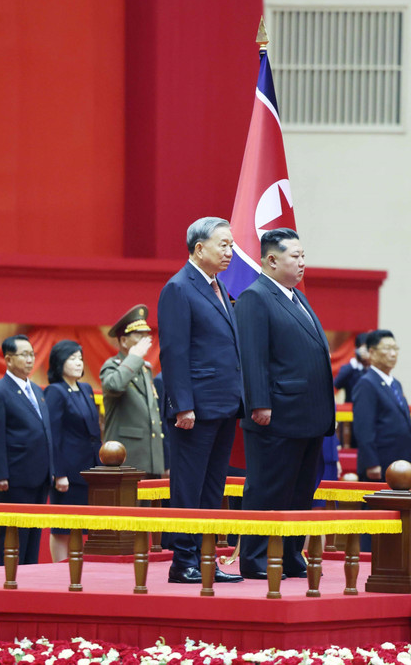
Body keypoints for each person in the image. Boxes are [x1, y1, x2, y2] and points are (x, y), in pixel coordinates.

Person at [234, 228, 336, 580]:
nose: (302, 262)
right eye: (295, 256)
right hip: (275, 414)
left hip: (308, 416)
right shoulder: (255, 297)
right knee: (268, 488)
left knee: (300, 490)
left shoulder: (296, 297)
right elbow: (252, 356)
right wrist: (259, 403)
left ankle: (291, 553)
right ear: (272, 260)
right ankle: (256, 557)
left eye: (304, 255)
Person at [157, 216, 244, 584]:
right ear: (199, 248)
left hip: (224, 405)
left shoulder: (218, 288)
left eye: (231, 245)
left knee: (212, 487)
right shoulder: (179, 287)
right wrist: (183, 405)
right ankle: (183, 561)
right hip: (195, 408)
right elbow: (174, 352)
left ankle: (206, 558)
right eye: (223, 245)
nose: (230, 252)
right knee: (188, 487)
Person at [0, 334, 62, 565]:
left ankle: (28, 579)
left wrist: (52, 469)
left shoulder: (37, 390)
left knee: (33, 535)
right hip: (15, 477)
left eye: (32, 355)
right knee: (12, 535)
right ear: (8, 360)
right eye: (24, 355)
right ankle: (6, 579)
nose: (30, 360)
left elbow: (46, 432)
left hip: (40, 476)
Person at [45, 339, 102, 562]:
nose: (78, 363)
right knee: (63, 527)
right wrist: (58, 473)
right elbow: (53, 435)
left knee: (84, 524)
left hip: (90, 468)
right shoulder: (55, 392)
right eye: (72, 358)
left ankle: (80, 566)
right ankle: (59, 567)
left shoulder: (86, 389)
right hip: (67, 470)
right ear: (60, 363)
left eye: (80, 358)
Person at [100, 305, 165, 477]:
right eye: (138, 335)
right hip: (127, 458)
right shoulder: (113, 366)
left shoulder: (145, 369)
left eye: (146, 335)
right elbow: (114, 385)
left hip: (151, 458)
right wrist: (134, 356)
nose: (145, 340)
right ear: (123, 341)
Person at [353, 329, 411, 482]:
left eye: (395, 349)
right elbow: (364, 427)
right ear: (372, 352)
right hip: (380, 463)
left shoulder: (395, 384)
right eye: (387, 349)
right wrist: (371, 463)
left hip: (401, 463)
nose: (393, 354)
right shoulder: (366, 383)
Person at [334, 331, 370, 403]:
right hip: (352, 407)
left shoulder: (373, 368)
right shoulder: (350, 368)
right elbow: (337, 384)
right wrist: (354, 365)